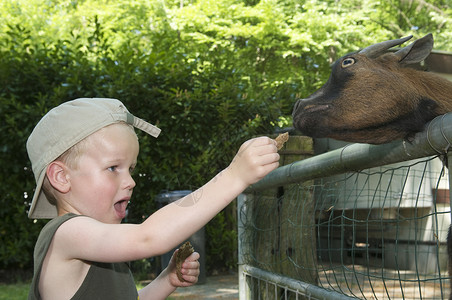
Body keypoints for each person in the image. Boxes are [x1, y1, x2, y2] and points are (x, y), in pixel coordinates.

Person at [26, 98, 280, 300]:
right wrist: (234, 176)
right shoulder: (67, 233)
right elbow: (149, 236)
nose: (131, 181)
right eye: (113, 168)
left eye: (131, 169)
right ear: (61, 177)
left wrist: (167, 280)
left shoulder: (99, 248)